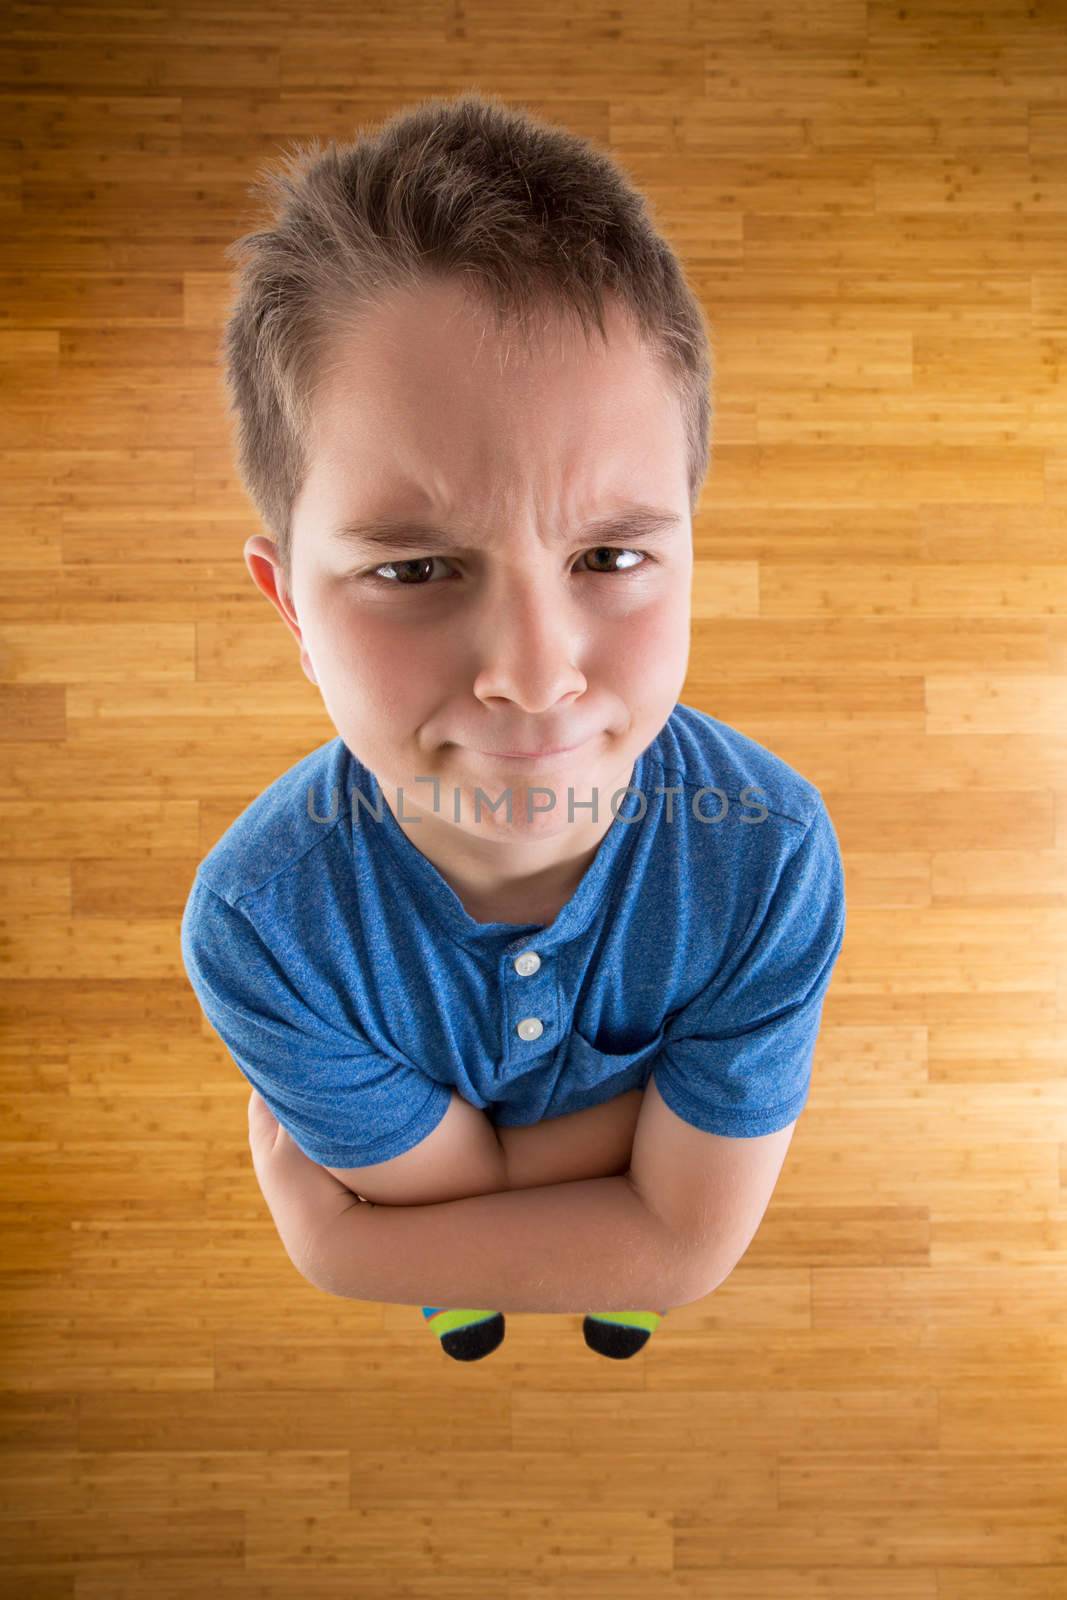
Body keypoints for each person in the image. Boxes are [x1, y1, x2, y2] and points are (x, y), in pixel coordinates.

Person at [181, 91, 846, 1362]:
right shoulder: (258, 927)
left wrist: (346, 1249)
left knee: (597, 1268)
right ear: (290, 608)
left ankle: (516, 1286)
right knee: (554, 1253)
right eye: (416, 570)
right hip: (569, 1183)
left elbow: (675, 1249)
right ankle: (505, 1286)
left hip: (419, 1212)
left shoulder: (767, 856)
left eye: (607, 552)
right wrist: (646, 1180)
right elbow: (657, 1219)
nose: (535, 679)